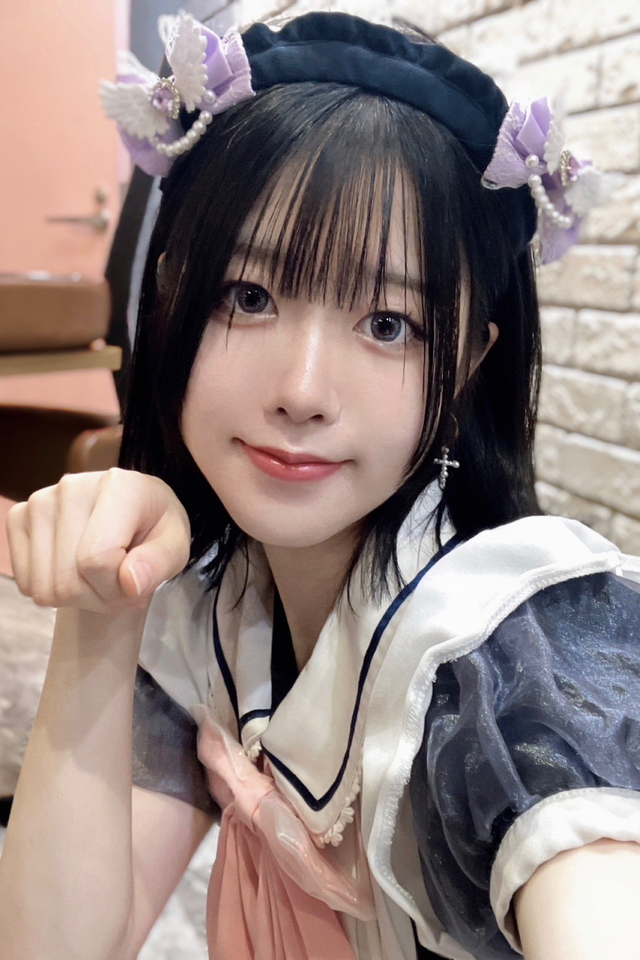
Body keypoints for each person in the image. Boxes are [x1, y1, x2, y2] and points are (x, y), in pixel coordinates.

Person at [2, 10, 640, 960]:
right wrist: (102, 613)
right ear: (173, 296)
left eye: (388, 324)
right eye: (249, 296)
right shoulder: (215, 606)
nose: (301, 392)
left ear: (467, 364)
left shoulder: (506, 652)